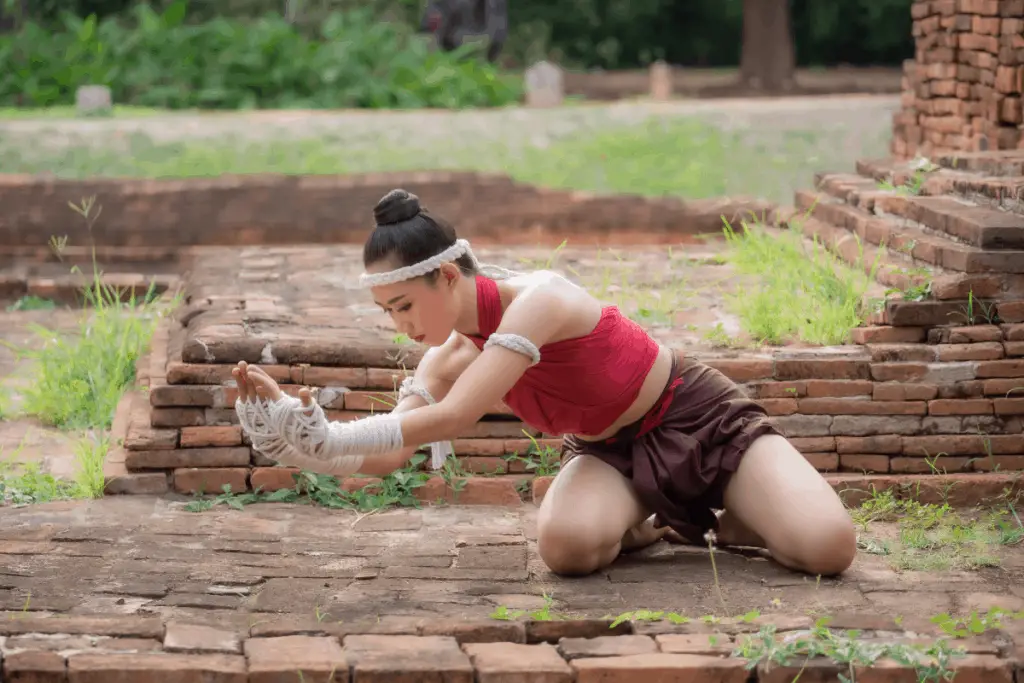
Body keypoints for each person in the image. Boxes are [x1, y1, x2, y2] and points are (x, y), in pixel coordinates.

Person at [232, 189, 858, 577]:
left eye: (403, 307)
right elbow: (397, 450)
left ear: (448, 278)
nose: (400, 326)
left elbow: (451, 422)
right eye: (388, 314)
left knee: (829, 549)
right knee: (565, 549)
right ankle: (661, 521)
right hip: (611, 453)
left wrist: (331, 435)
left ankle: (737, 511)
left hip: (699, 418)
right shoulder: (444, 358)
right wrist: (299, 445)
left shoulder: (541, 299)